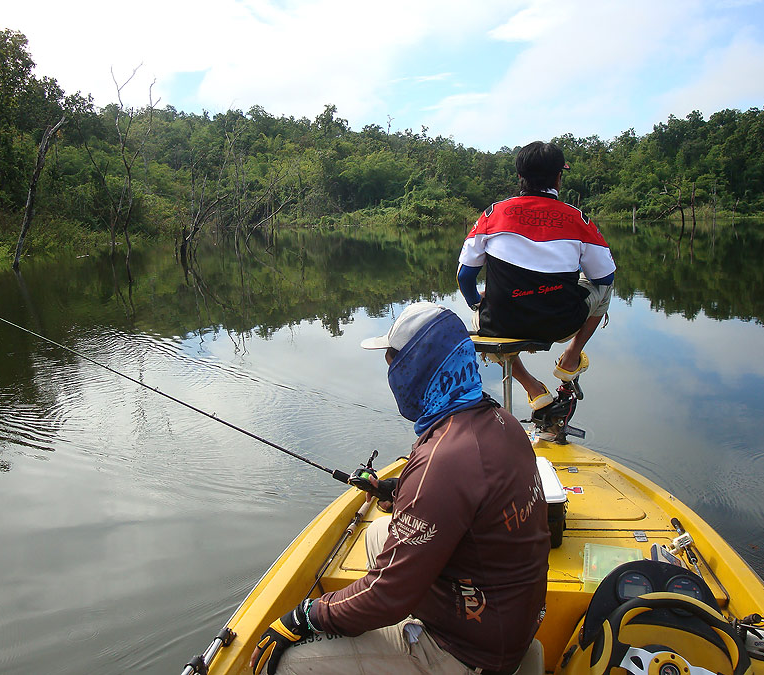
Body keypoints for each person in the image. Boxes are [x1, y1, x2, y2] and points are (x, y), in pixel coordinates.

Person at [250, 302, 551, 675]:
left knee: (290, 663)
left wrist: (306, 615)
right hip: (505, 616)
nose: (390, 372)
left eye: (394, 360)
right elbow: (464, 500)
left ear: (418, 368)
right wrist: (396, 488)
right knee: (379, 533)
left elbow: (387, 595)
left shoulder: (444, 460)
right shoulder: (498, 420)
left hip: (472, 652)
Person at [457, 141, 616, 412]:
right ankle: (570, 359)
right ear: (558, 177)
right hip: (561, 323)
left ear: (520, 177)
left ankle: (532, 387)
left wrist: (477, 302)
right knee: (605, 291)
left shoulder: (492, 215)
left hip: (501, 324)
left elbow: (465, 276)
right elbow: (604, 278)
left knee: (485, 319)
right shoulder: (578, 219)